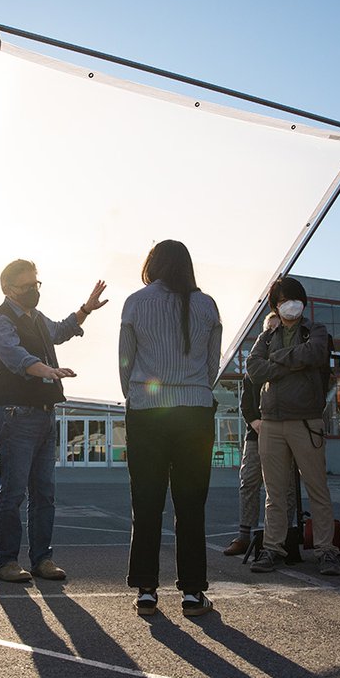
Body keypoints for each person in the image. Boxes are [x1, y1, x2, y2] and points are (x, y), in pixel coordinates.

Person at [0, 259, 107, 583]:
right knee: (13, 492)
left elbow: (61, 330)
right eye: (27, 287)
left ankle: (42, 559)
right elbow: (17, 358)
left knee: (44, 493)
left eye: (37, 284)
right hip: (16, 415)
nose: (34, 291)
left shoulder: (36, 319)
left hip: (44, 412)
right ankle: (6, 560)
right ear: (8, 289)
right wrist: (47, 370)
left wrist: (86, 309)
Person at [119, 240, 222, 617]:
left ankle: (146, 589)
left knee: (145, 502)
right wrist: (193, 387)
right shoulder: (207, 304)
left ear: (153, 263)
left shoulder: (135, 302)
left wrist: (136, 396)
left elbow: (125, 362)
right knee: (191, 504)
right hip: (194, 411)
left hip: (147, 411)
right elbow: (213, 365)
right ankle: (193, 593)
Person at [246, 276, 340, 576]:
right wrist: (289, 363)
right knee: (275, 492)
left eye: (296, 298)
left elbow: (314, 353)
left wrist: (276, 361)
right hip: (271, 423)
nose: (292, 304)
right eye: (285, 299)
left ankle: (327, 550)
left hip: (305, 420)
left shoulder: (315, 330)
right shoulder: (267, 336)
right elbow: (253, 369)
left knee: (317, 488)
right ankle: (273, 548)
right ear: (275, 304)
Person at [224, 312, 298, 556]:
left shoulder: (290, 365)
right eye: (269, 330)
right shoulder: (253, 369)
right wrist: (255, 422)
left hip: (284, 433)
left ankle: (285, 536)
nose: (273, 334)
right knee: (249, 482)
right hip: (257, 434)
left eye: (278, 330)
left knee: (284, 487)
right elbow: (246, 403)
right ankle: (245, 535)